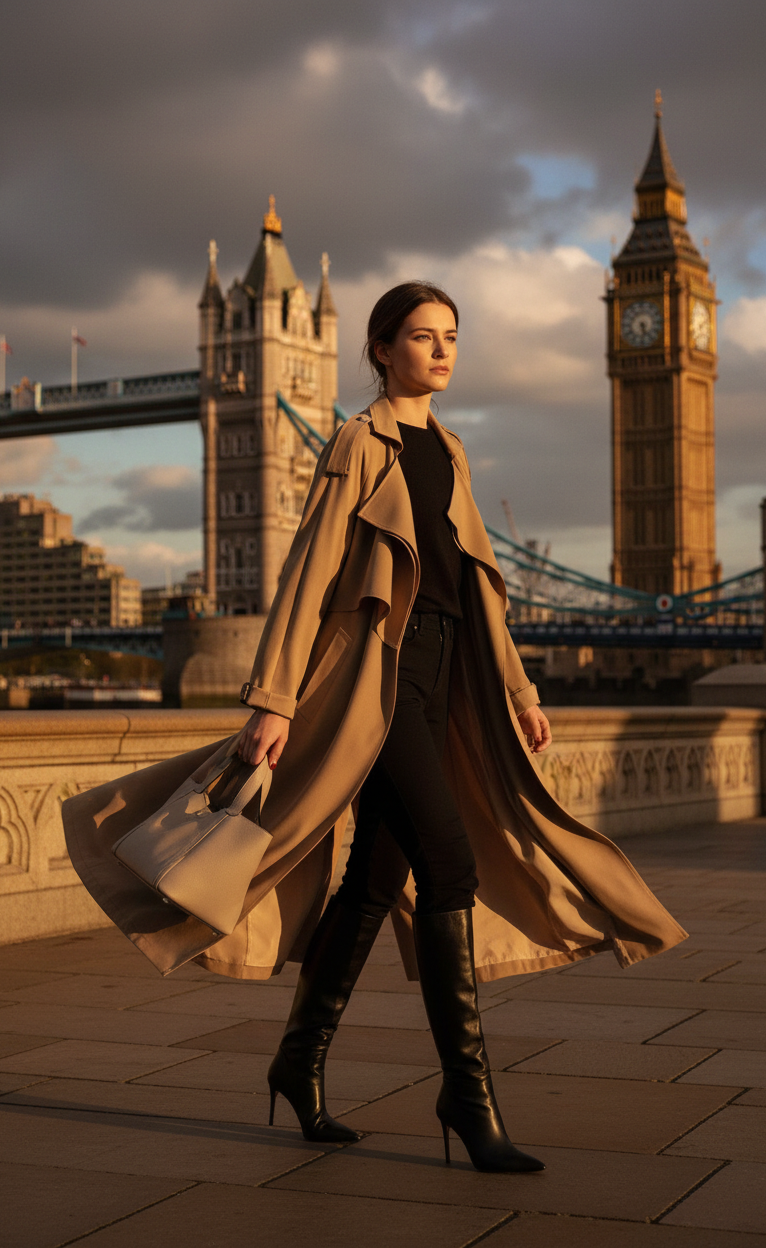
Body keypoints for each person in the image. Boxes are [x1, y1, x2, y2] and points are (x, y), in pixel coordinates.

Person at [233, 282, 601, 1173]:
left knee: (375, 877)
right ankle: (467, 1096)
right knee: (450, 864)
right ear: (381, 348)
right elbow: (310, 568)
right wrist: (274, 698)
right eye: (422, 336)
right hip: (381, 676)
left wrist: (519, 688)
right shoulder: (358, 443)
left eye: (451, 337)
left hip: (446, 673)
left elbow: (478, 582)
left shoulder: (451, 449)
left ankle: (297, 1061)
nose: (441, 351)